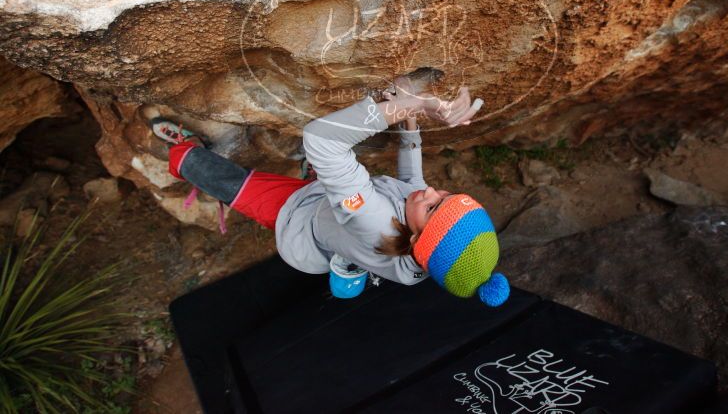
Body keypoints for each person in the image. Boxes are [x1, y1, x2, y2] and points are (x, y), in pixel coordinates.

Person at [153, 77, 510, 306]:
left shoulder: (378, 224)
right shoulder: (426, 249)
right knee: (340, 187)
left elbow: (321, 140)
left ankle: (181, 151)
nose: (431, 191)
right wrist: (409, 121)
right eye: (445, 195)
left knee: (232, 184)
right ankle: (326, 186)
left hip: (298, 220)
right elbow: (413, 180)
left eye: (433, 207)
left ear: (418, 242)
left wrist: (414, 104)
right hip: (337, 214)